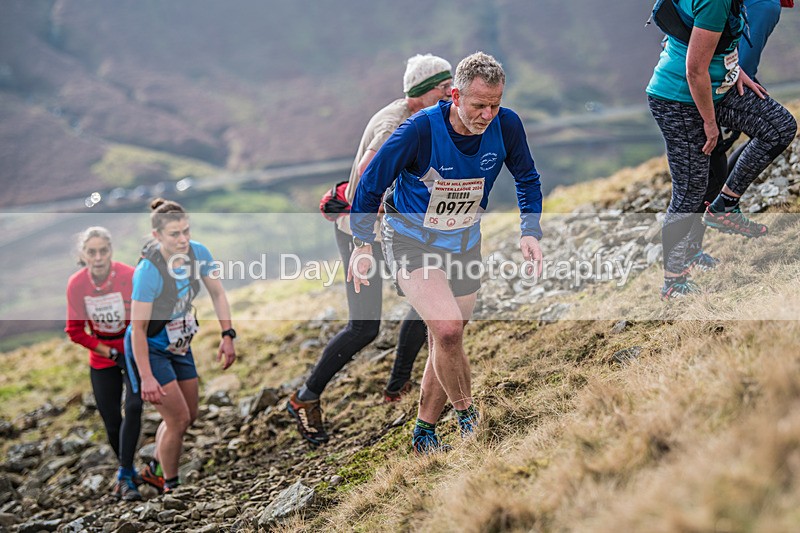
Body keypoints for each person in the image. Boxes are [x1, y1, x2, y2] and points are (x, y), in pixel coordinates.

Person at [348, 51, 544, 454]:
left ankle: (424, 432)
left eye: (496, 103)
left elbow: (526, 176)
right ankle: (471, 419)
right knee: (449, 328)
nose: (488, 114)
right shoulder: (418, 131)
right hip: (410, 240)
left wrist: (530, 230)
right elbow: (369, 185)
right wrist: (362, 243)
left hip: (463, 242)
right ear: (454, 95)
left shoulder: (506, 125)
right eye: (478, 105)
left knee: (446, 339)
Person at [287, 54, 452, 445]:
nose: (451, 96)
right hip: (362, 232)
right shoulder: (393, 125)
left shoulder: (423, 116)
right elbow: (368, 174)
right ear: (422, 93)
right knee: (364, 327)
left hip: (391, 229)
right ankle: (304, 398)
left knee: (426, 299)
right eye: (445, 90)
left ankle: (398, 387)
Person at [646, 0, 796, 299]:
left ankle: (724, 205)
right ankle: (673, 282)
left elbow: (716, 42)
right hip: (680, 99)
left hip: (717, 87)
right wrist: (710, 123)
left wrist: (735, 70)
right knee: (690, 190)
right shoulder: (716, 1)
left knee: (780, 126)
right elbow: (694, 70)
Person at [125, 199, 236, 493]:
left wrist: (228, 334)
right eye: (175, 234)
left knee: (189, 415)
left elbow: (218, 294)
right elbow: (137, 329)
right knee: (178, 419)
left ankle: (155, 469)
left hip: (179, 344)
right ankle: (171, 486)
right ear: (157, 236)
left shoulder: (198, 252)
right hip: (149, 347)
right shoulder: (148, 271)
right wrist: (146, 376)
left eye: (186, 230)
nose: (183, 239)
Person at [690, 0, 791, 272]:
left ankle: (692, 248)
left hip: (702, 86)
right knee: (710, 167)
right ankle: (690, 251)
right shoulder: (765, 5)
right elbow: (740, 59)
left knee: (709, 166)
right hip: (718, 90)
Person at [65, 227, 143, 500]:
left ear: (111, 251)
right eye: (91, 252)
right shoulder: (77, 284)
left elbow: (144, 316)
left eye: (103, 251)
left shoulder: (129, 276)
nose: (98, 257)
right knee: (111, 421)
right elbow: (75, 331)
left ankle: (124, 476)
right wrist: (108, 352)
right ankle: (129, 469)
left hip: (133, 350)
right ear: (83, 255)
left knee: (134, 406)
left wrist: (133, 349)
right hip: (102, 357)